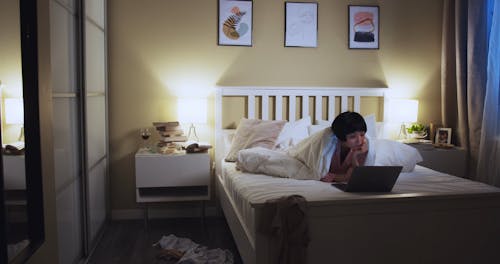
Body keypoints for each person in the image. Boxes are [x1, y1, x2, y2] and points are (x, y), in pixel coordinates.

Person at [320, 111, 369, 183]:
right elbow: (319, 173)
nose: (359, 141)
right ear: (341, 137)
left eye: (362, 135)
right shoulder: (328, 146)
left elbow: (356, 177)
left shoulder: (362, 148)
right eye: (352, 137)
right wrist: (343, 177)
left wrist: (354, 156)